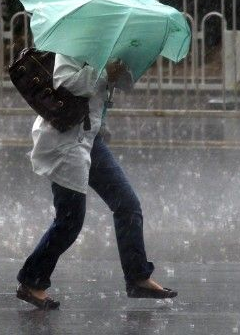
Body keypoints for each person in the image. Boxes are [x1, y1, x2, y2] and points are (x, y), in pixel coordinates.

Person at [16, 53, 177, 310]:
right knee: (69, 221)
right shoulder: (72, 43)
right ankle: (31, 280)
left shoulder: (107, 44)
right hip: (65, 140)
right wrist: (103, 73)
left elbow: (121, 85)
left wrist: (120, 70)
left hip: (90, 139)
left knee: (127, 204)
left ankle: (138, 277)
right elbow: (64, 81)